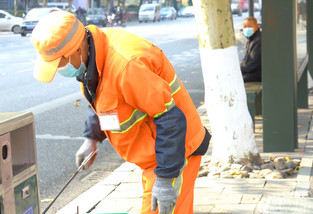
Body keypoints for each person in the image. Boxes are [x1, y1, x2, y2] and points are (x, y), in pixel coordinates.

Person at [30, 11, 211, 214]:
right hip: (156, 156)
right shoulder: (94, 56)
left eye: (59, 64)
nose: (57, 71)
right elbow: (105, 101)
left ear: (77, 50)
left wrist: (166, 178)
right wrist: (92, 138)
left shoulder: (128, 66)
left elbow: (171, 120)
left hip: (177, 152)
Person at [240, 16, 262, 83]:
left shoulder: (258, 41)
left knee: (239, 79)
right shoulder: (251, 40)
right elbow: (246, 58)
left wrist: (241, 69)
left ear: (257, 27)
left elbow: (254, 64)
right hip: (252, 71)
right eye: (245, 27)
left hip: (258, 73)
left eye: (249, 26)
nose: (246, 29)